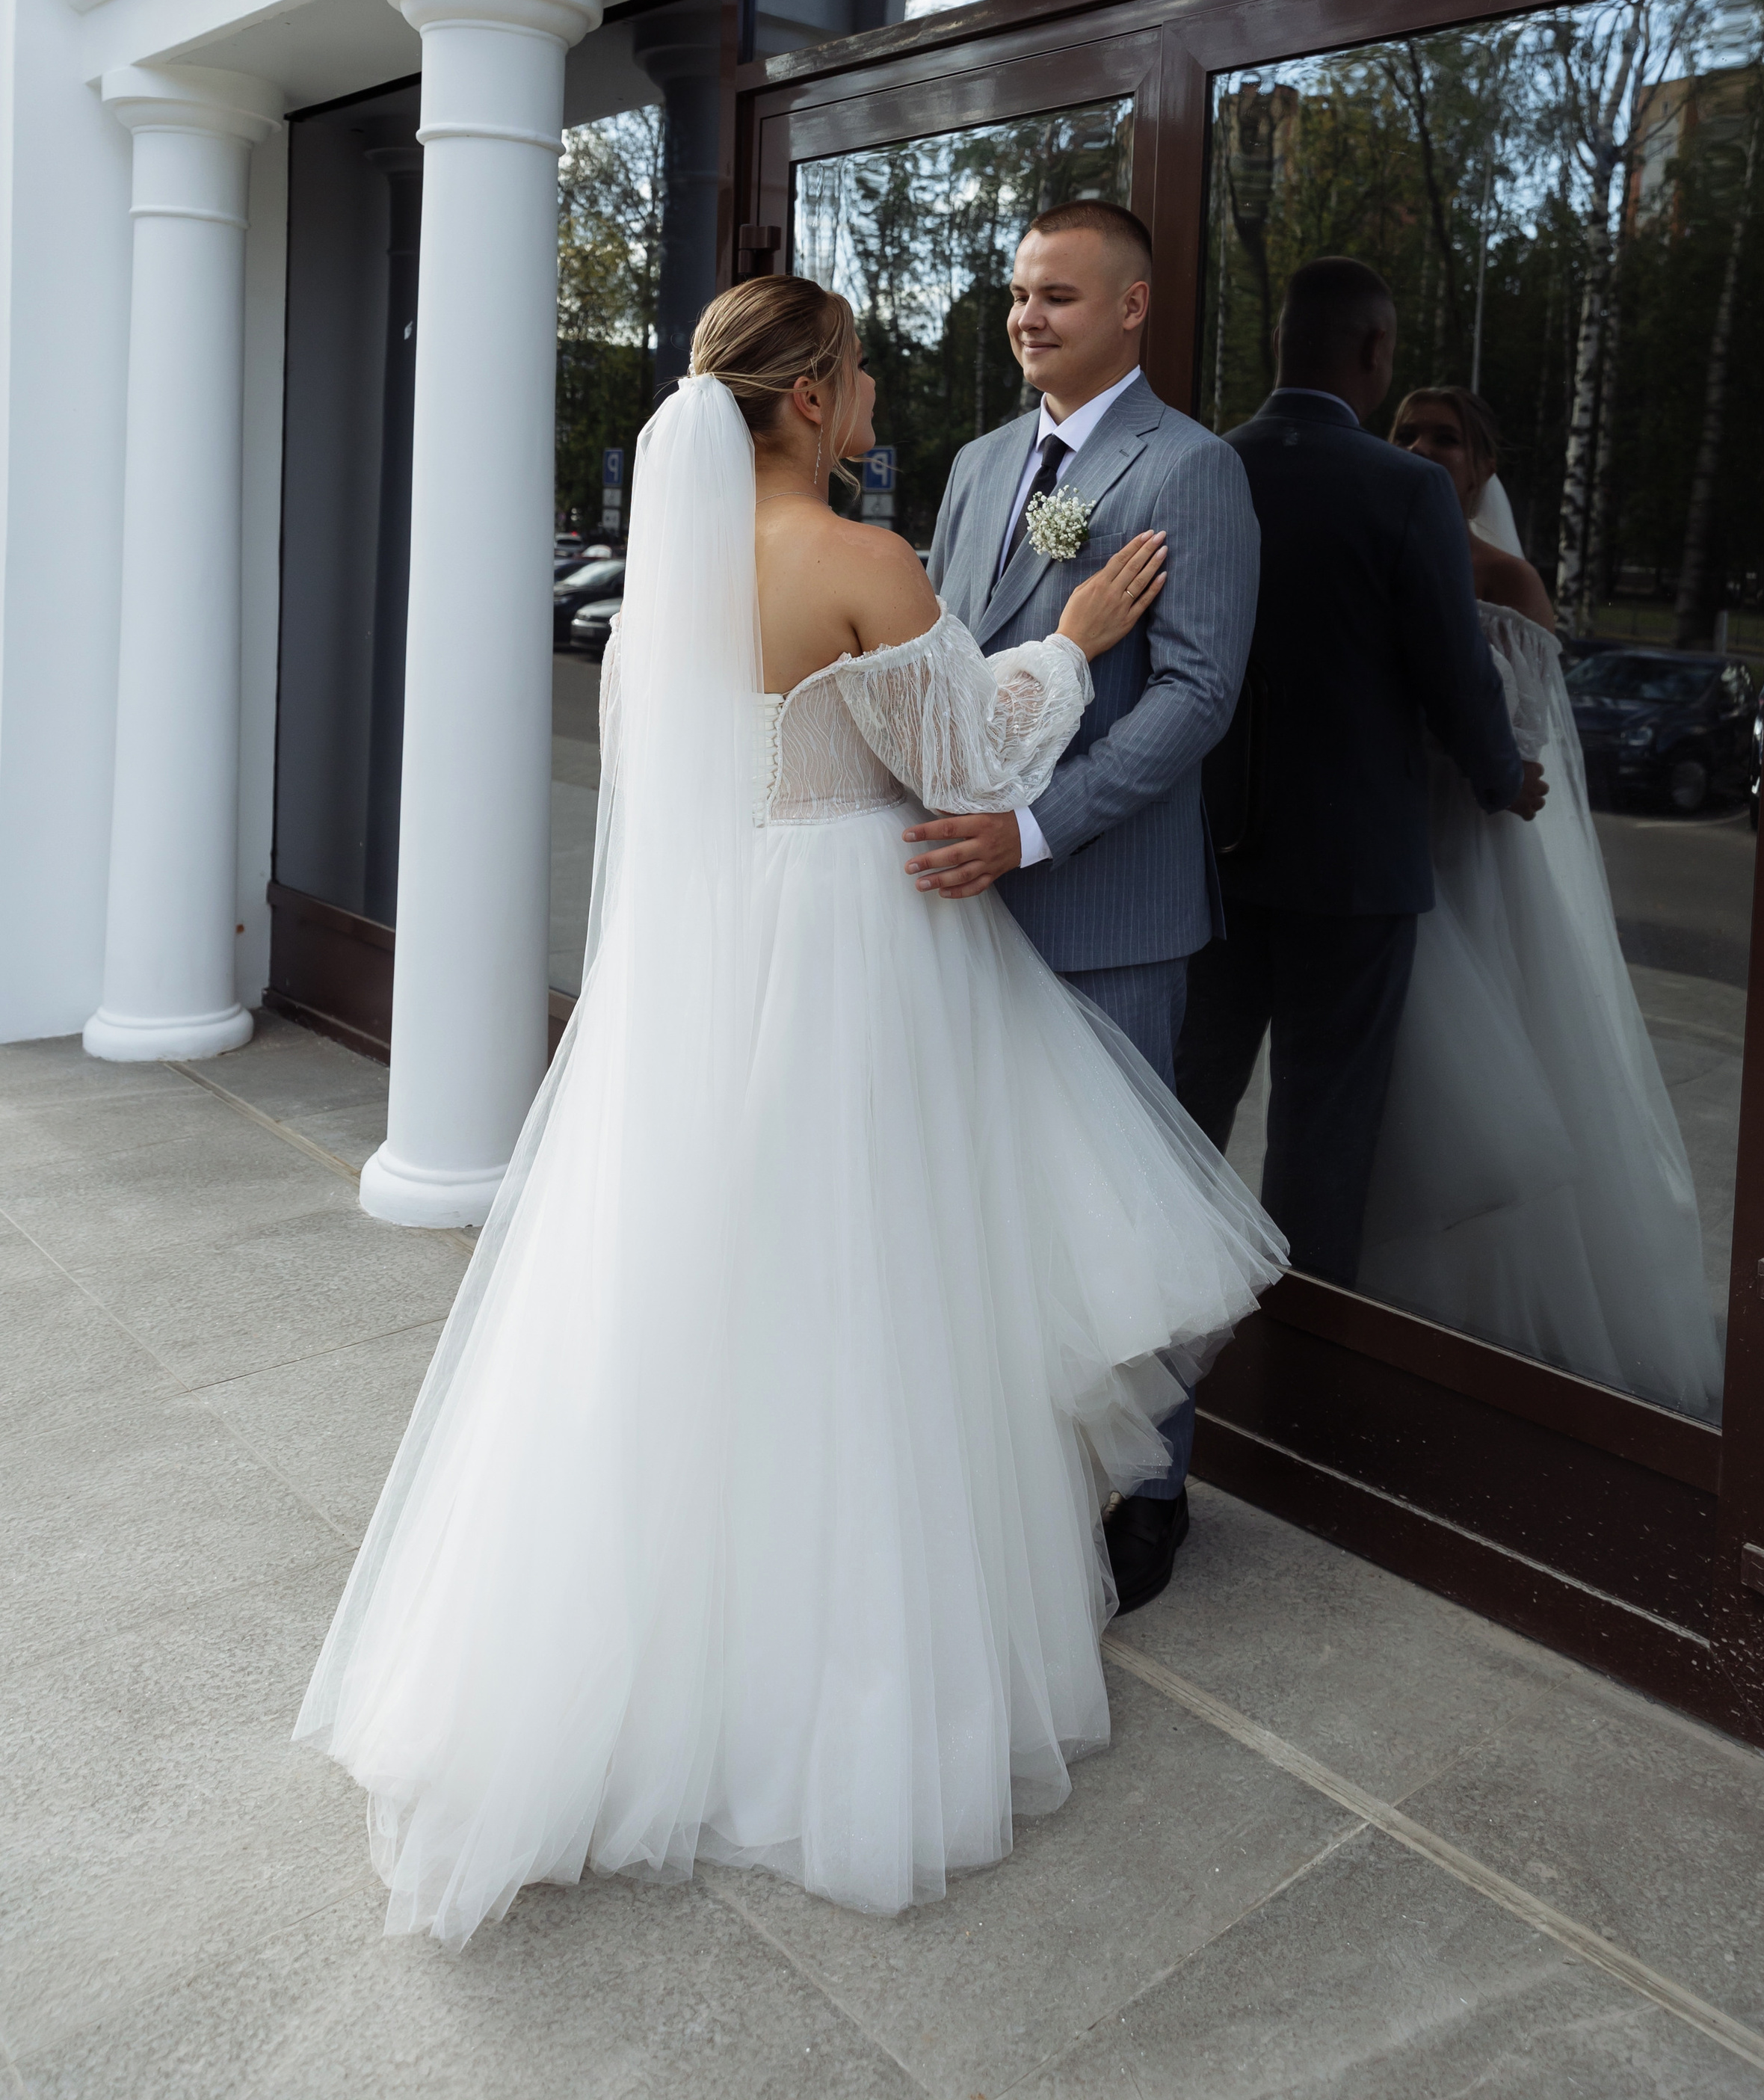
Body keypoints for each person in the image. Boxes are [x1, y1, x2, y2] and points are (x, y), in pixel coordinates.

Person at [294, 277, 1285, 1947]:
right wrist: (1074, 642)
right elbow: (970, 763)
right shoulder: (862, 561)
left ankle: (637, 1656)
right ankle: (845, 1681)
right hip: (855, 960)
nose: (882, 384)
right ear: (810, 399)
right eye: (860, 366)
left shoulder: (672, 589)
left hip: (720, 951)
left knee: (704, 1292)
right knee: (864, 1300)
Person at [922, 200, 1259, 1612]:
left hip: (1105, 909)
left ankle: (1149, 1488)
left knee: (1121, 1224)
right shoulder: (983, 461)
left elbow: (1195, 696)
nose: (1026, 317)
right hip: (957, 911)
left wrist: (1035, 828)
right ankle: (1012, 1465)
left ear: (1132, 306)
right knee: (985, 1207)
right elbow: (938, 653)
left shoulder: (1190, 470)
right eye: (1016, 294)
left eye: (1058, 296)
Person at [1360, 387, 1723, 1419]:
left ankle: (1500, 1318)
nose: (1425, 450)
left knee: (1488, 1076)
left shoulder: (1507, 581)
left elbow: (1525, 746)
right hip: (1388, 842)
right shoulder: (1379, 544)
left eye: (1448, 438)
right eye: (1408, 434)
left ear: (1482, 466)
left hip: (1468, 852)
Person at [1175, 258, 1540, 1281]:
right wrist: (1502, 777)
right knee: (1324, 1124)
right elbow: (1454, 671)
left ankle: (1159, 1309)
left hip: (1215, 850)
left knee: (1188, 1098)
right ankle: (1301, 1349)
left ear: (1279, 344)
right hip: (1354, 868)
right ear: (1374, 351)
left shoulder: (1202, 464)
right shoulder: (1407, 489)